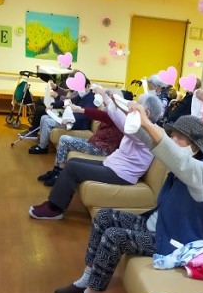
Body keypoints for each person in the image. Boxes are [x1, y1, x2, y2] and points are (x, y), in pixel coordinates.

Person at [51, 114, 203, 293]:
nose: (173, 141)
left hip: (173, 242)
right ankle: (88, 276)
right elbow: (154, 143)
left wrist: (147, 123)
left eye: (180, 138)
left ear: (195, 145)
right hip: (155, 225)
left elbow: (174, 156)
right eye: (172, 136)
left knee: (114, 236)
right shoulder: (186, 163)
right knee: (104, 216)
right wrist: (137, 120)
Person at [28, 92, 162, 219]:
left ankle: (54, 209)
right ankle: (53, 204)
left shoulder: (149, 133)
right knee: (73, 162)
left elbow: (124, 124)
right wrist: (113, 101)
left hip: (122, 173)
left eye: (137, 105)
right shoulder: (141, 126)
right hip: (113, 165)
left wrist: (108, 99)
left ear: (146, 113)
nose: (133, 106)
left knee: (73, 168)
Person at [37, 103, 123, 186]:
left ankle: (59, 173)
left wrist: (79, 110)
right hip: (95, 143)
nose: (103, 106)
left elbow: (98, 114)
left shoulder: (117, 118)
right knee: (63, 140)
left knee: (64, 139)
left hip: (103, 149)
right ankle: (56, 170)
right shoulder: (113, 116)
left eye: (105, 104)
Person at [28, 71, 96, 155]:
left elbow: (86, 115)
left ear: (88, 86)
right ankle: (42, 142)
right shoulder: (81, 95)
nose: (79, 90)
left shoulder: (92, 98)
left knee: (47, 121)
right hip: (69, 118)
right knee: (43, 117)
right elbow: (67, 101)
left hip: (77, 123)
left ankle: (42, 147)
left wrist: (68, 120)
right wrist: (53, 106)